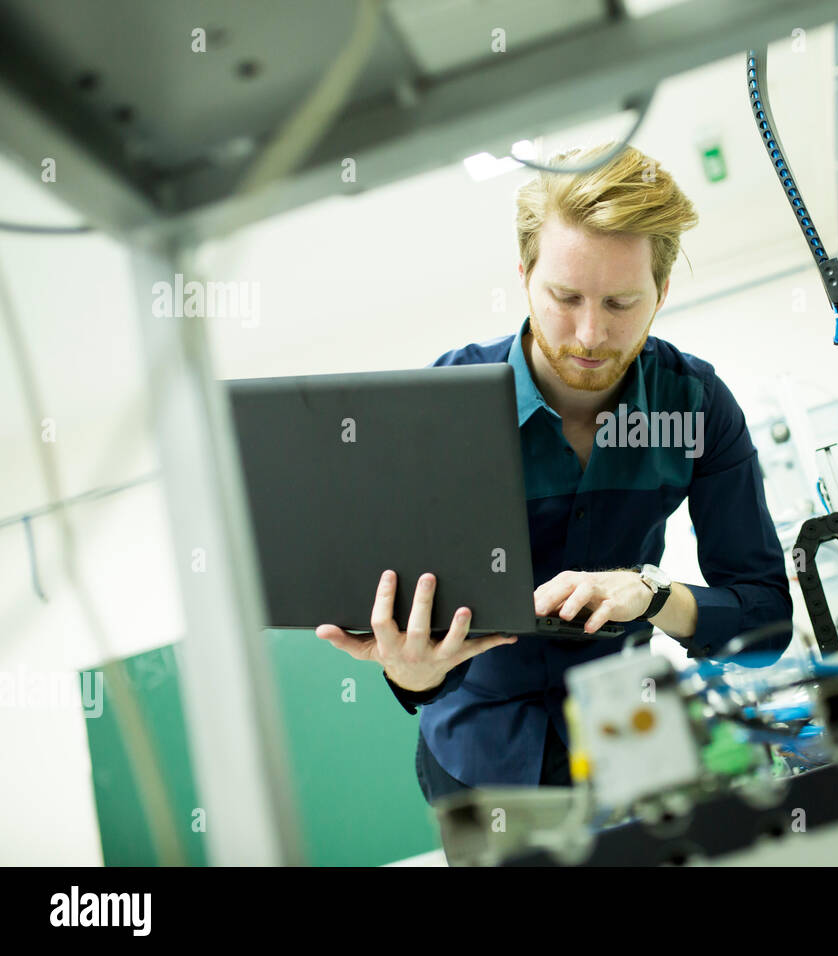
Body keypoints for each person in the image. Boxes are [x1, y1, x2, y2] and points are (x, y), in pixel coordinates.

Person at [315, 140, 793, 813]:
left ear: (661, 291)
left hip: (634, 730)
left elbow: (765, 625)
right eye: (565, 297)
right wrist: (408, 670)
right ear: (524, 275)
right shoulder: (437, 410)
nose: (591, 335)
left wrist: (648, 595)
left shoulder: (695, 404)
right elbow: (404, 632)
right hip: (478, 750)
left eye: (622, 302)